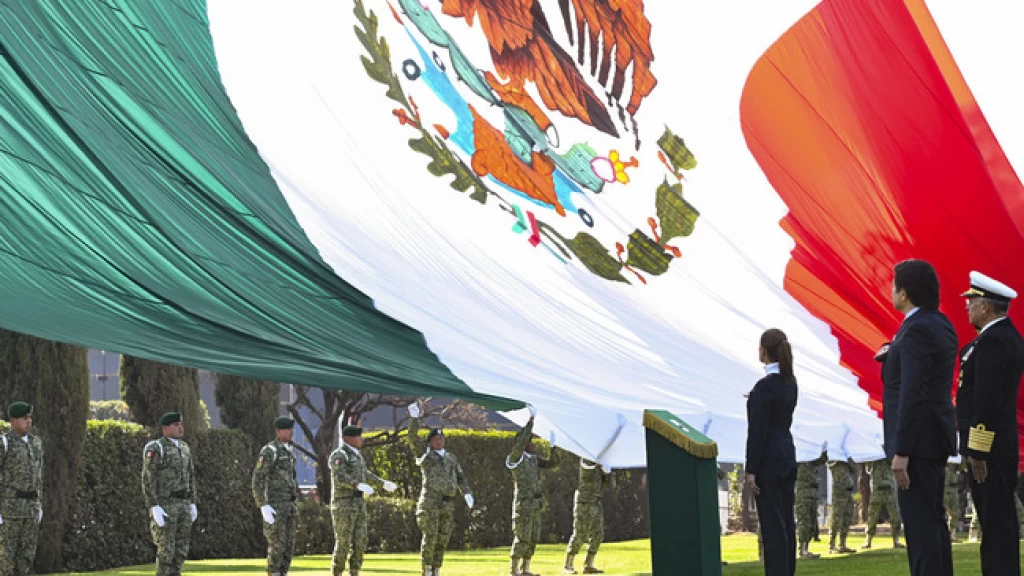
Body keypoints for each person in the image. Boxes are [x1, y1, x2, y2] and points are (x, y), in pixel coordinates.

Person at [879, 259, 958, 576]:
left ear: (905, 292)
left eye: (894, 284)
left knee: (921, 527)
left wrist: (902, 451)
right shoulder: (940, 323)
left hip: (918, 442)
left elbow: (913, 392)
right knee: (934, 522)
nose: (892, 290)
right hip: (934, 436)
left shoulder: (915, 330)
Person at [957, 271, 1024, 576]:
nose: (966, 307)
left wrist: (978, 451)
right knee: (996, 520)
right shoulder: (999, 337)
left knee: (996, 521)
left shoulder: (995, 342)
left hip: (991, 449)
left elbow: (987, 400)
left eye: (971, 301)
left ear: (985, 306)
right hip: (997, 445)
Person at [744, 328, 798, 576]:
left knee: (773, 527)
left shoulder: (764, 387)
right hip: (787, 454)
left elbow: (758, 432)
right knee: (786, 523)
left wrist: (751, 469)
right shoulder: (790, 382)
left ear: (763, 351)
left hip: (769, 460)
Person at [407, 403, 473, 576]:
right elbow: (413, 439)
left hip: (447, 504)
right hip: (430, 503)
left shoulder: (451, 458)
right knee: (430, 537)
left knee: (443, 538)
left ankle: (436, 569)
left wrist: (467, 492)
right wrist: (415, 419)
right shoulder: (426, 455)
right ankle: (426, 570)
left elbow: (460, 477)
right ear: (430, 442)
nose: (440, 440)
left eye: (442, 438)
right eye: (436, 439)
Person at [329, 424, 398, 576]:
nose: (362, 439)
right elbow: (339, 476)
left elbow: (365, 473)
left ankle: (354, 571)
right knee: (344, 542)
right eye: (358, 436)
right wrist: (356, 485)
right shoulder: (340, 455)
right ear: (348, 438)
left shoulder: (357, 455)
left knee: (360, 540)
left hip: (358, 503)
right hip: (344, 504)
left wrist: (383, 483)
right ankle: (337, 572)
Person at [142, 412, 198, 576]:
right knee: (166, 551)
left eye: (181, 424)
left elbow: (191, 476)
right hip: (166, 505)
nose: (180, 427)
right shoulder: (156, 448)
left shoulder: (184, 448)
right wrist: (153, 505)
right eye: (176, 425)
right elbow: (148, 478)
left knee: (180, 551)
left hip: (183, 505)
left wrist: (192, 502)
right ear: (165, 428)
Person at [252, 416, 301, 576]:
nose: (291, 432)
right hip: (275, 506)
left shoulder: (289, 452)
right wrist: (263, 504)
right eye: (287, 429)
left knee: (288, 547)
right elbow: (258, 478)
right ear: (278, 431)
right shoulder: (270, 451)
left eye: (292, 429)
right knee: (277, 547)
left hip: (290, 506)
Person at [0, 402, 43, 576]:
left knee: (27, 557)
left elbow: (39, 476)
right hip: (11, 510)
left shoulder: (36, 442)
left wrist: (40, 505)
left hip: (31, 509)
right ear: (13, 420)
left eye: (30, 417)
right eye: (24, 418)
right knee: (7, 559)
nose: (29, 421)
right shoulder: (4, 442)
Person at [564, 457, 611, 574]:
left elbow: (606, 483)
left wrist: (607, 473)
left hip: (596, 503)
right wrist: (601, 464)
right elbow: (588, 468)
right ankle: (567, 565)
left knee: (598, 535)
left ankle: (588, 564)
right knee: (579, 534)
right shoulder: (586, 460)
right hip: (583, 503)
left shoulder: (600, 465)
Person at [863, 458, 903, 549]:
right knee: (872, 516)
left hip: (890, 489)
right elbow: (868, 468)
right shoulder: (873, 455)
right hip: (877, 489)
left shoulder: (890, 452)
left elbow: (894, 462)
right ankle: (868, 540)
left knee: (895, 516)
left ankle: (896, 540)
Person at [796, 451, 826, 559]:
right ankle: (802, 550)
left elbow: (822, 459)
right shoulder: (798, 459)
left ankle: (806, 549)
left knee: (811, 522)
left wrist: (823, 448)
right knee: (805, 522)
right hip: (803, 494)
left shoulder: (811, 459)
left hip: (813, 494)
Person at [827, 459, 857, 554]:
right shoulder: (834, 457)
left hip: (848, 491)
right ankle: (831, 545)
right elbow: (830, 463)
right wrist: (840, 457)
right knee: (837, 518)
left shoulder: (847, 458)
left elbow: (854, 469)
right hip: (839, 491)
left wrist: (848, 460)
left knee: (847, 518)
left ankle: (842, 544)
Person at [943, 463, 961, 542]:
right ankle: (941, 535)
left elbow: (962, 467)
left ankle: (952, 535)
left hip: (953, 486)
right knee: (940, 511)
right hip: (942, 485)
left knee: (955, 512)